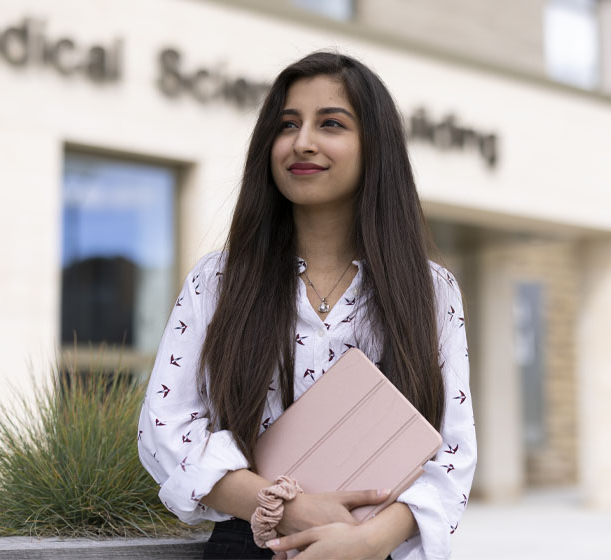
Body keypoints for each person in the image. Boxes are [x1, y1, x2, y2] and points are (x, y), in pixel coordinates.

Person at [138, 51, 476, 560]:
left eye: (331, 124)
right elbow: (164, 428)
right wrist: (286, 507)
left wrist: (365, 541)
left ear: (375, 147)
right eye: (287, 124)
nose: (302, 142)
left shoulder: (431, 291)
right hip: (247, 543)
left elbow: (452, 453)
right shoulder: (220, 279)